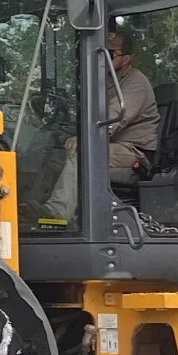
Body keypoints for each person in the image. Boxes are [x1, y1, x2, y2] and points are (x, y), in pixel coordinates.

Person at [42, 29, 160, 221]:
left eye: (111, 54)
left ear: (126, 58)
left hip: (132, 152)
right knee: (53, 151)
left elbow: (113, 118)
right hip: (108, 144)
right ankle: (36, 210)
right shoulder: (105, 81)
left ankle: (57, 214)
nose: (104, 58)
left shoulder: (135, 82)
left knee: (82, 153)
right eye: (101, 52)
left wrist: (85, 138)